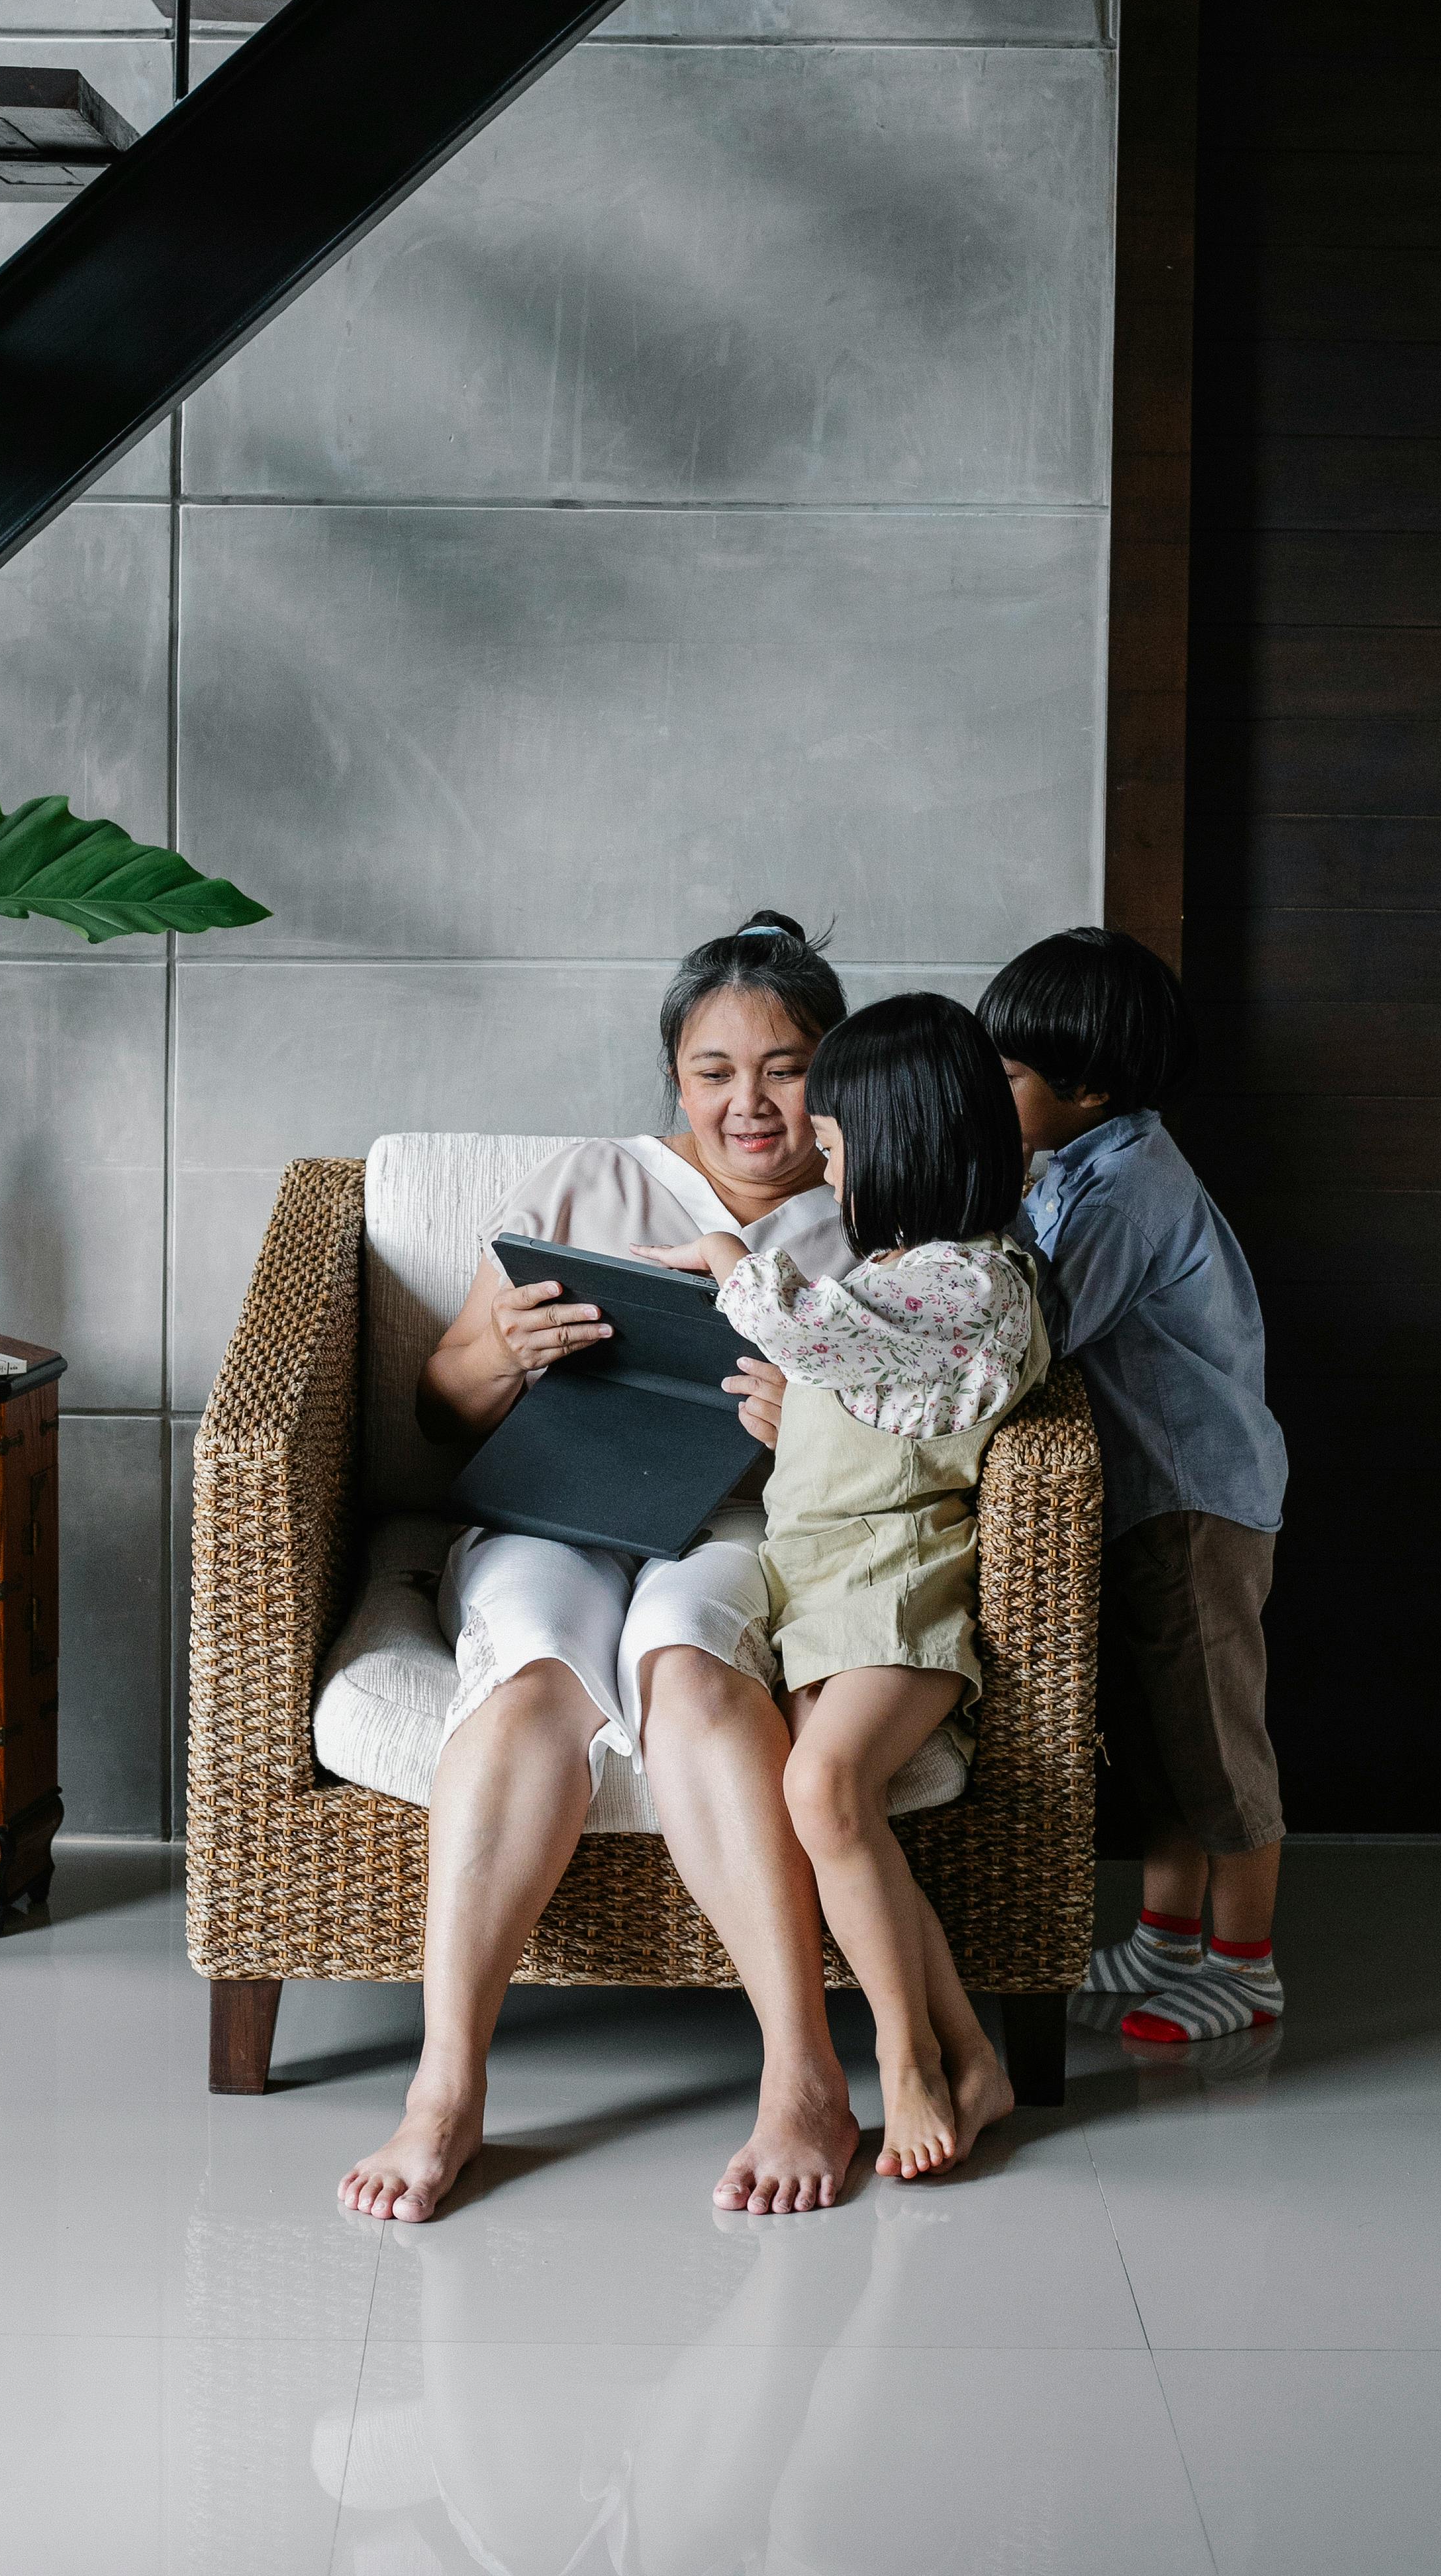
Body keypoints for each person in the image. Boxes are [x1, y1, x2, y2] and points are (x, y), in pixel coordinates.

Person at [340, 912, 867, 2225]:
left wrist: (802, 1425)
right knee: (530, 1677)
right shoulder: (591, 1181)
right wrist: (498, 1354)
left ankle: (804, 2081)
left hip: (741, 1527)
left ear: (834, 1071)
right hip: (554, 1516)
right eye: (714, 1071)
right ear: (673, 1076)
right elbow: (437, 1407)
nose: (749, 1103)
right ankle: (445, 2092)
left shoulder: (868, 1217)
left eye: (787, 1067)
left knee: (686, 1667)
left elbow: (904, 1442)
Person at [649, 994, 1044, 2178]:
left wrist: (727, 1256)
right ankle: (971, 2059)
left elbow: (801, 1324)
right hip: (818, 1587)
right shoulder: (905, 1275)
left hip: (895, 1579)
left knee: (822, 1788)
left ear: (904, 1142)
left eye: (834, 1148)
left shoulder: (972, 1282)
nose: (823, 1169)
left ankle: (909, 2060)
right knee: (831, 1809)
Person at [977, 927, 1289, 2044]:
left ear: (1090, 1087)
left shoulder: (1125, 1194)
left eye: (1005, 1074)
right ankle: (1165, 1939)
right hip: (1149, 1496)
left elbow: (1038, 1337)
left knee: (1214, 1742)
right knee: (1159, 1734)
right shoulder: (1081, 1164)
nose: (985, 1088)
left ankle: (1245, 1968)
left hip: (1194, 1500)